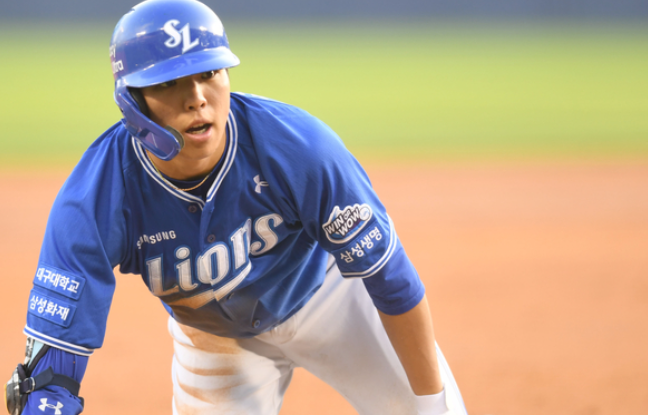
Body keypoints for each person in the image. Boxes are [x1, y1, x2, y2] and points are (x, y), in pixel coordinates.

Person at [5, 0, 469, 414]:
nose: (197, 97)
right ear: (133, 103)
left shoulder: (300, 148)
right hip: (214, 340)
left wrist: (431, 405)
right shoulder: (94, 198)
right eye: (169, 82)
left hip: (328, 298)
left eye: (209, 73)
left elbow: (390, 279)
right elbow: (52, 374)